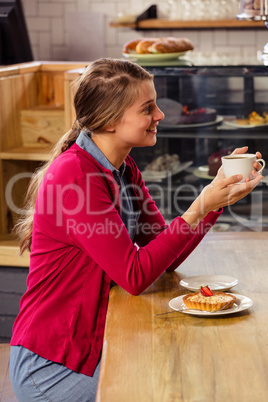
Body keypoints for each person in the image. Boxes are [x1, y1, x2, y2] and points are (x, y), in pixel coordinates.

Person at [9, 58, 263, 401]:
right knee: (168, 386)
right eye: (148, 108)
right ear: (111, 120)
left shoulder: (122, 167)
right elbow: (134, 274)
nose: (160, 115)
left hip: (91, 346)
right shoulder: (75, 177)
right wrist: (200, 204)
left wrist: (216, 202)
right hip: (54, 366)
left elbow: (164, 254)